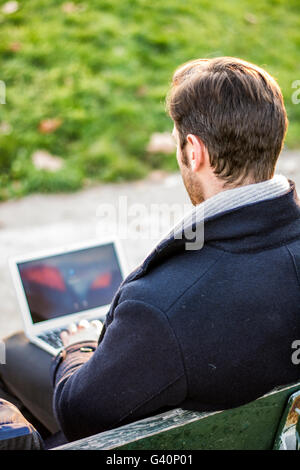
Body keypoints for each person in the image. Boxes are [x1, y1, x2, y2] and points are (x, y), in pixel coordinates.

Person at [1, 57, 300, 444]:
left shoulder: (163, 305)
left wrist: (78, 347)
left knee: (10, 352)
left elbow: (80, 415)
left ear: (194, 152)